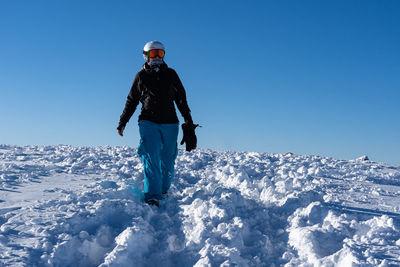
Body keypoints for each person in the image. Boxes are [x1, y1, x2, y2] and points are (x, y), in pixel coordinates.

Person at [117, 40, 198, 207]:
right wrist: (123, 121)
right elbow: (131, 100)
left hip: (170, 122)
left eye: (160, 54)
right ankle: (152, 196)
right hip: (148, 122)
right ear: (146, 56)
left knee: (168, 159)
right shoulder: (141, 76)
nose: (157, 57)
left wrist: (188, 119)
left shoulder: (171, 74)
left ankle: (163, 189)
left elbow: (181, 98)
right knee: (151, 157)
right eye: (153, 54)